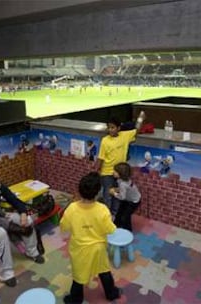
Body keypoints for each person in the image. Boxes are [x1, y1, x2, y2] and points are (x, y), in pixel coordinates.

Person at [60, 172, 121, 304]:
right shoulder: (103, 209)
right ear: (98, 192)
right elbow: (111, 229)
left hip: (79, 250)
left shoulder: (71, 208)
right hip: (98, 249)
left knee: (79, 276)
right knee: (104, 271)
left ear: (79, 190)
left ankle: (75, 299)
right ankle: (111, 294)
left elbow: (64, 227)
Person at [96, 111, 145, 216]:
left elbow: (137, 130)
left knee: (118, 195)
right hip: (107, 173)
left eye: (113, 127)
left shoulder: (125, 136)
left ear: (119, 128)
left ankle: (114, 215)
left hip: (120, 173)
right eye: (108, 127)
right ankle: (106, 217)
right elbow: (101, 158)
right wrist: (97, 170)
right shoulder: (105, 140)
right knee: (107, 195)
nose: (110, 130)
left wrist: (141, 118)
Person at [109, 162, 141, 231]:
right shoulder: (123, 180)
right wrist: (116, 189)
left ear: (121, 174)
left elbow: (122, 197)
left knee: (125, 217)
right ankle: (115, 226)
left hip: (133, 202)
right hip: (128, 199)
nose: (113, 172)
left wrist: (113, 193)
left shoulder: (123, 184)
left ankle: (128, 231)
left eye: (115, 171)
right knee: (119, 212)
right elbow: (125, 189)